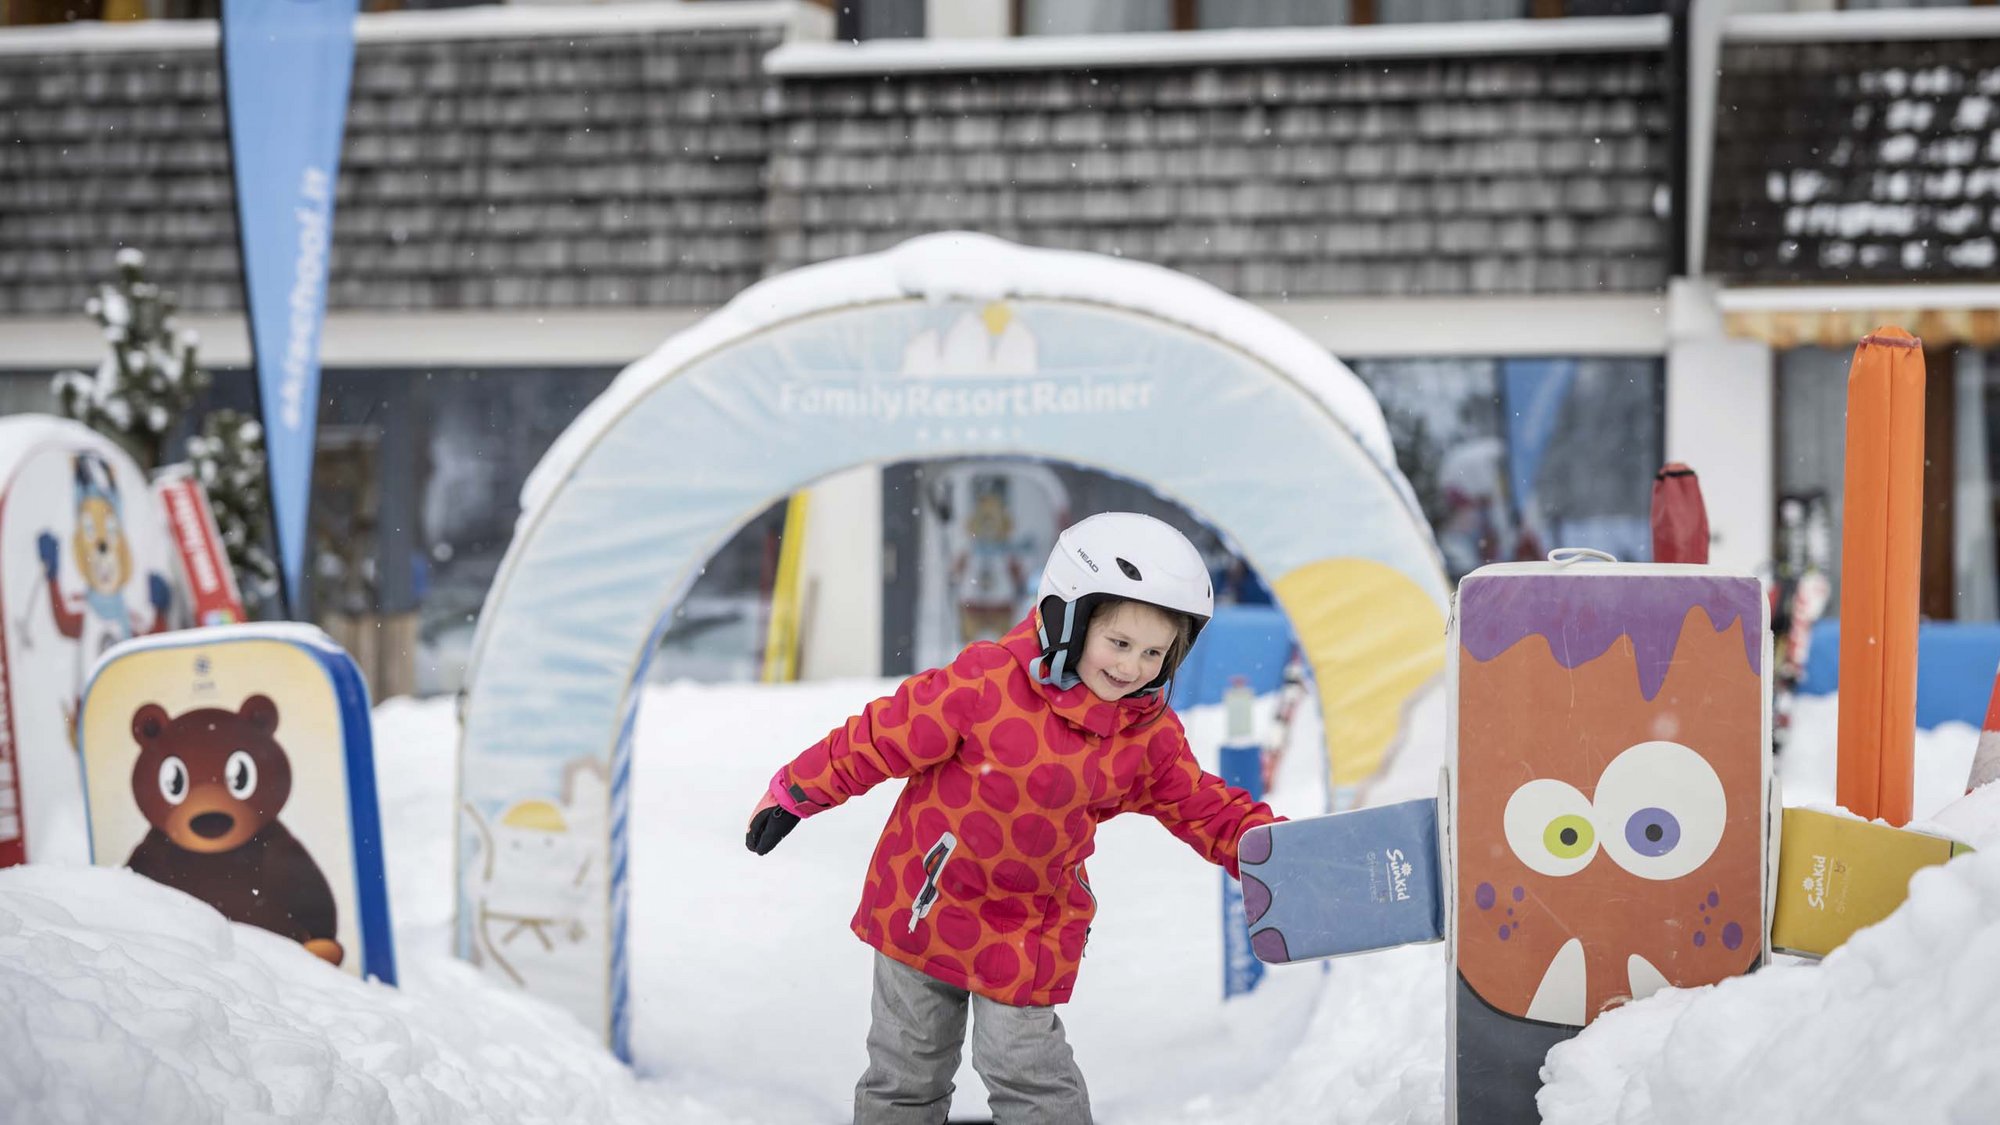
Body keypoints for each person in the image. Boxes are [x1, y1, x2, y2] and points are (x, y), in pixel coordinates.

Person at [746, 512, 1280, 1125]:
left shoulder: (1145, 735)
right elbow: (882, 736)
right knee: (907, 1069)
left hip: (1028, 928)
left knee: (1027, 1070)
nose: (1133, 667)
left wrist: (1264, 847)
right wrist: (796, 790)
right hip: (924, 901)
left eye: (1155, 652)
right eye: (1120, 643)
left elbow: (1201, 804)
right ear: (1068, 620)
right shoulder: (986, 684)